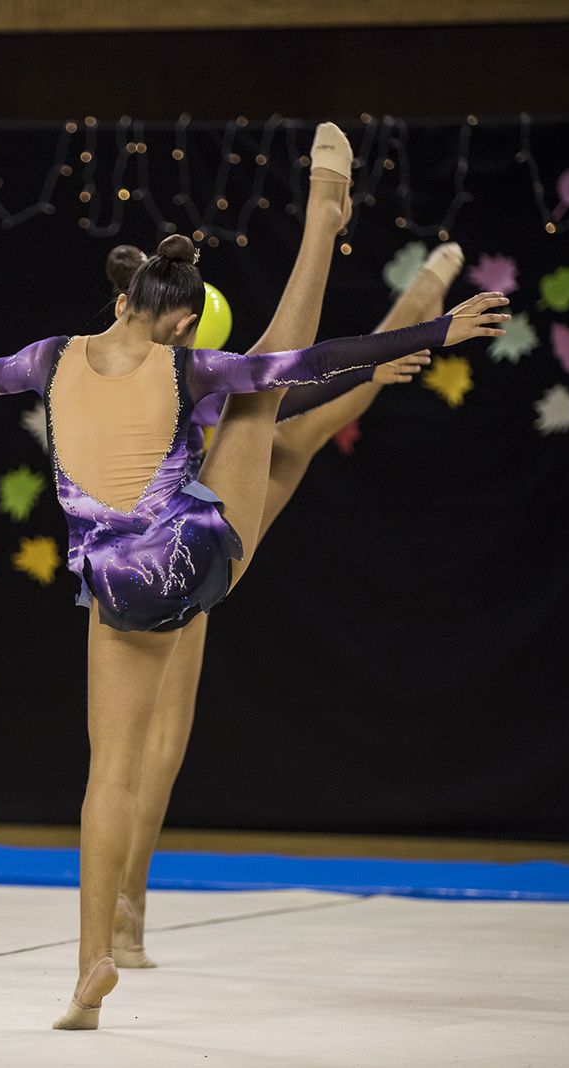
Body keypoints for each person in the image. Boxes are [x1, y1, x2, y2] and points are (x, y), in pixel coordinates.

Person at [0, 125, 511, 1030]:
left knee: (110, 773)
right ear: (180, 318)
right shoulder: (192, 369)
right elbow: (304, 363)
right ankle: (320, 222)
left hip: (114, 587)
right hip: (196, 557)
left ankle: (88, 972)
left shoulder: (47, 358)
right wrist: (437, 330)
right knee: (269, 405)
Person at [101, 238, 467, 967]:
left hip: (199, 505)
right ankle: (125, 909)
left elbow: (279, 385)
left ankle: (129, 910)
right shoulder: (130, 361)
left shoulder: (181, 360)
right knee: (153, 745)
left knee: (298, 428)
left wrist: (374, 359)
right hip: (158, 537)